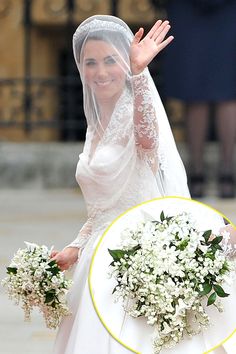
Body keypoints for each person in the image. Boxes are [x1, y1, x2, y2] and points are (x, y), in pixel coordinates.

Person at [51, 15, 234, 354]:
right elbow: (102, 208)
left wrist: (139, 74)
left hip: (139, 255)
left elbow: (148, 139)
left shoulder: (134, 111)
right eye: (90, 63)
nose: (100, 71)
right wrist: (74, 248)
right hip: (96, 261)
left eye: (110, 60)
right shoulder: (95, 126)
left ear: (124, 62)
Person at [162, 0, 236, 198]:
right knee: (214, 91)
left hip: (201, 14)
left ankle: (200, 173)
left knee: (221, 91)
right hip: (198, 14)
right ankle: (223, 174)